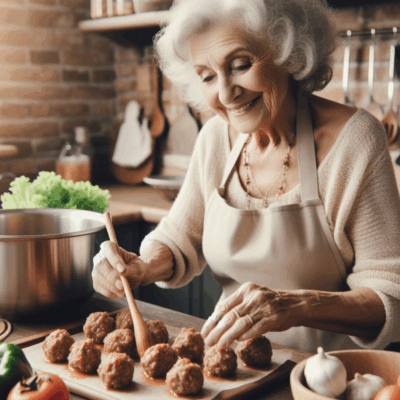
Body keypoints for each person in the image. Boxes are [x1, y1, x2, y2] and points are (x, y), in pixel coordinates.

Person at [92, 0, 400, 353]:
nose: (225, 94)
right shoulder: (214, 138)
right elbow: (181, 236)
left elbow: (390, 294)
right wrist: (143, 267)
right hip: (229, 371)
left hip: (323, 379)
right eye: (207, 76)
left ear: (290, 54)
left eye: (240, 65)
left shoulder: (356, 142)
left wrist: (295, 305)